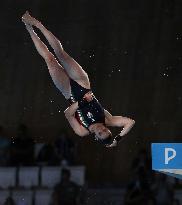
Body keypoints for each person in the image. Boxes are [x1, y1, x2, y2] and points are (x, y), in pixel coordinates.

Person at [22, 11, 135, 147]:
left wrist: (81, 102)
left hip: (68, 92)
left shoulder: (82, 131)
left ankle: (28, 28)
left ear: (96, 137)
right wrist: (118, 139)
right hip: (83, 83)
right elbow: (130, 122)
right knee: (61, 53)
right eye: (105, 130)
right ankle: (37, 24)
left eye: (100, 133)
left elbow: (68, 114)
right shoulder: (108, 119)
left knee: (50, 59)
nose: (101, 129)